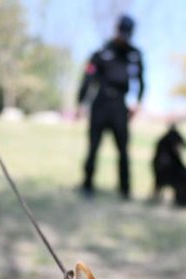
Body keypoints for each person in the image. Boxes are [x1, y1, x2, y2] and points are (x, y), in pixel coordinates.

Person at [77, 14, 144, 200]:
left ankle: (125, 189)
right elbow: (88, 79)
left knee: (123, 150)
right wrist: (81, 103)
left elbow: (141, 81)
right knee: (93, 147)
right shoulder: (101, 52)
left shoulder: (134, 55)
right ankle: (87, 185)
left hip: (120, 106)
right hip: (100, 103)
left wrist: (137, 103)